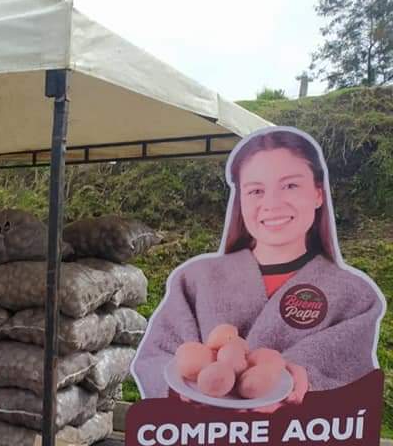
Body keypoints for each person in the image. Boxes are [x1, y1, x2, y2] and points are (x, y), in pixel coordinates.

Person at [133, 127, 384, 403]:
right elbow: (156, 358)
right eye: (255, 191)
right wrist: (190, 392)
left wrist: (298, 379)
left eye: (290, 185)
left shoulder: (356, 295)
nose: (272, 204)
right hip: (204, 440)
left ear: (318, 194)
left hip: (300, 442)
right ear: (240, 201)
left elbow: (350, 375)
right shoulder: (195, 279)